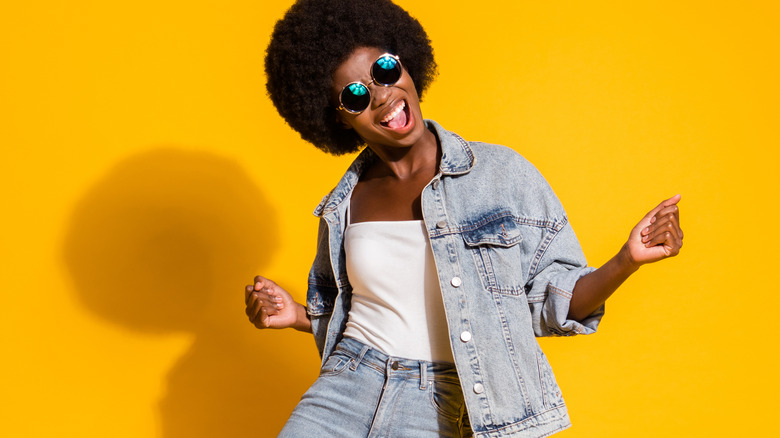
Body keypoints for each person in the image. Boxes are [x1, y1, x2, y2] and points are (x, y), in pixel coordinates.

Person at [244, 1, 683, 437]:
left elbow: (553, 305)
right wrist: (299, 315)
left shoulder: (501, 174)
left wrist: (627, 260)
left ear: (406, 63)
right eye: (355, 96)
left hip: (439, 399)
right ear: (340, 120)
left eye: (384, 70)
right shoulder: (343, 204)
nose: (382, 96)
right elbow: (367, 309)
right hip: (345, 385)